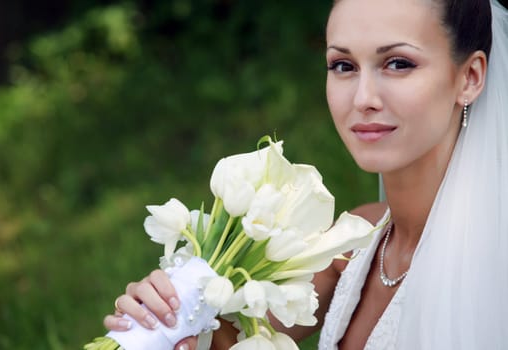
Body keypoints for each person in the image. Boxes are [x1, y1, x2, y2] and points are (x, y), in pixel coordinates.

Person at [103, 0, 508, 349]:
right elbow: (233, 342)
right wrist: (168, 313)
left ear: (469, 77)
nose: (363, 98)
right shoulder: (355, 240)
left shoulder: (493, 264)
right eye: (343, 65)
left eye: (398, 63)